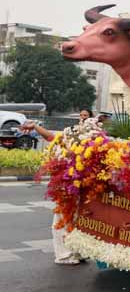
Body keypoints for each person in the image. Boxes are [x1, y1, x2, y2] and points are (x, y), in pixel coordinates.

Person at [21, 109, 94, 265]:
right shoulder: (69, 138)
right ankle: (64, 255)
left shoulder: (94, 141)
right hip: (65, 186)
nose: (83, 119)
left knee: (79, 220)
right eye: (81, 116)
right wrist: (34, 126)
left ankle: (78, 251)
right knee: (62, 219)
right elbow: (50, 136)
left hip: (82, 188)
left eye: (86, 117)